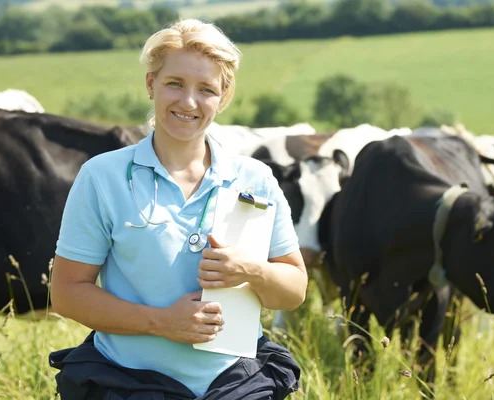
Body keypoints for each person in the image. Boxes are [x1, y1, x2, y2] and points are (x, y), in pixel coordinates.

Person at [48, 18, 308, 399]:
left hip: (237, 385)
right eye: (175, 84)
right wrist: (162, 323)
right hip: (127, 384)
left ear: (223, 96)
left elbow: (294, 290)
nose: (189, 102)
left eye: (206, 89)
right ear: (151, 84)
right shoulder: (102, 177)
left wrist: (250, 270)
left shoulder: (256, 179)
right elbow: (68, 292)